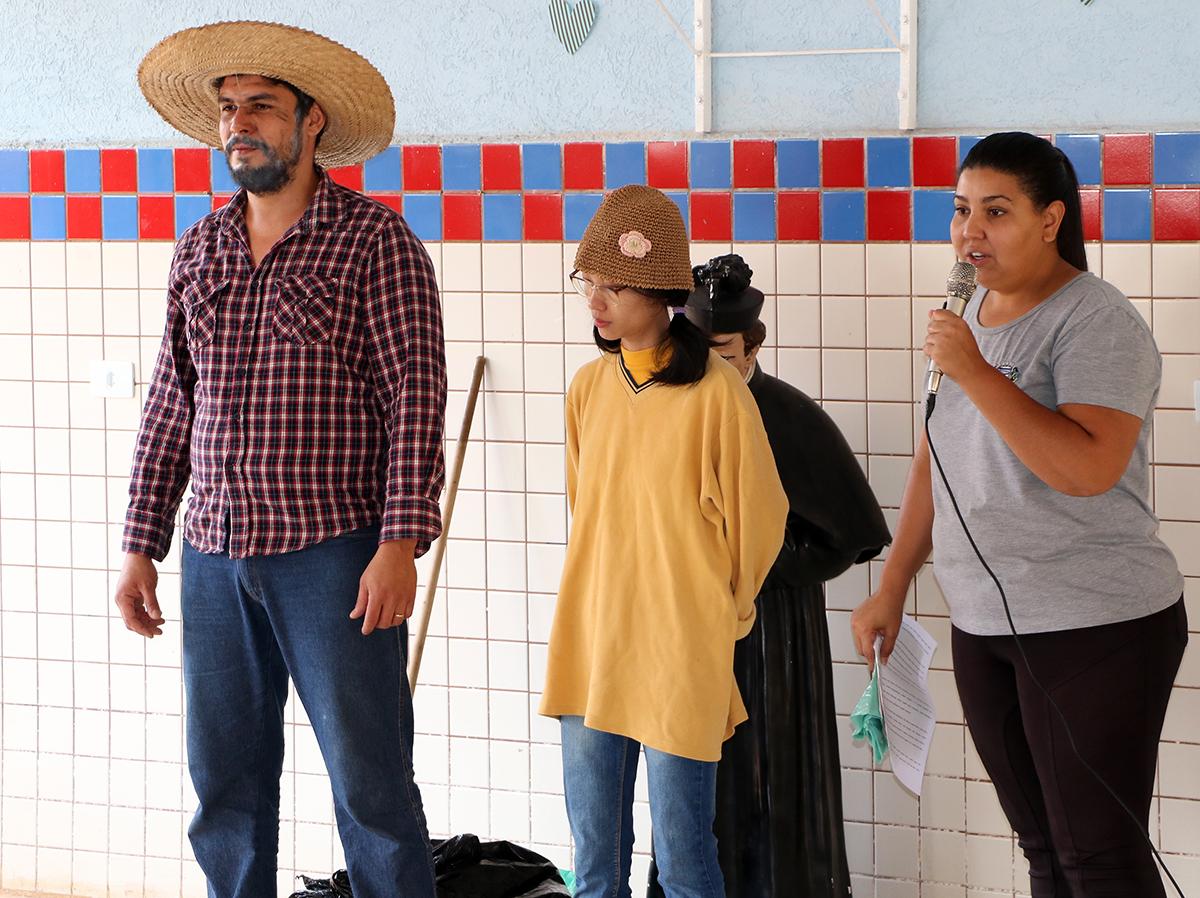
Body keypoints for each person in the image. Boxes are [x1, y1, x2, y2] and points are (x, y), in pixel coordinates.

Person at [113, 22, 445, 898]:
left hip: (337, 557)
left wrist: (401, 541)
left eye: (260, 105)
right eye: (227, 109)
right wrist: (141, 543)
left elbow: (416, 399)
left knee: (370, 787)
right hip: (214, 558)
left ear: (314, 120)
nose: (238, 125)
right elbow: (170, 402)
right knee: (224, 789)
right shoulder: (200, 251)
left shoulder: (376, 244)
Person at [851, 131, 1186, 898]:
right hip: (985, 623)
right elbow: (938, 451)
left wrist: (974, 368)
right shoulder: (967, 313)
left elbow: (1087, 468)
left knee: (1098, 858)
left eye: (996, 212)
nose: (971, 230)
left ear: (1050, 219)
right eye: (961, 210)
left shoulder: (1095, 321)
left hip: (1095, 626)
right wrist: (894, 582)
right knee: (1044, 849)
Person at [538, 186, 789, 898]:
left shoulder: (717, 394)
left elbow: (760, 521)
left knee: (684, 860)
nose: (596, 300)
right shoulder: (589, 388)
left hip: (681, 649)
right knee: (595, 864)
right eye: (589, 283)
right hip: (593, 642)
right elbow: (589, 511)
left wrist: (721, 616)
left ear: (661, 291)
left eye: (613, 285)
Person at [645, 254, 890, 898]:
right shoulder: (669, 405)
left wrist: (749, 565)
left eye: (722, 349)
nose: (709, 361)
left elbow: (847, 535)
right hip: (688, 624)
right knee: (688, 779)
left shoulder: (787, 415)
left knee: (767, 776)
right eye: (696, 345)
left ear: (752, 346)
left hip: (773, 630)